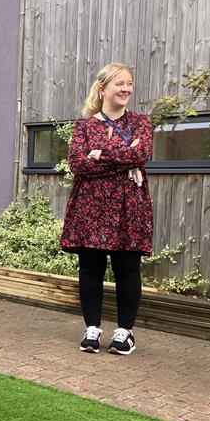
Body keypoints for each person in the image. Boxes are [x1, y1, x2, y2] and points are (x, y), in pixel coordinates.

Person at [61, 63, 153, 355]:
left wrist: (100, 153)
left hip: (129, 206)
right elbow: (77, 164)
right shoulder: (85, 126)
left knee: (127, 269)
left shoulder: (140, 123)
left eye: (129, 84)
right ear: (102, 89)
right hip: (91, 207)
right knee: (91, 268)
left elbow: (141, 154)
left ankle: (124, 333)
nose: (126, 89)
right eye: (119, 84)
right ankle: (92, 330)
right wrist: (121, 157)